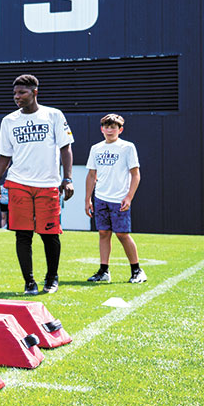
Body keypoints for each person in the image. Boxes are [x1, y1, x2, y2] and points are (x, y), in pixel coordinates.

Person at [0, 74, 74, 295]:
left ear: (35, 92)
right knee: (23, 234)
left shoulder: (53, 115)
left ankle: (52, 278)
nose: (17, 97)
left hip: (47, 184)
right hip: (18, 183)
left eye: (22, 93)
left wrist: (68, 178)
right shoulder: (9, 121)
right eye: (15, 93)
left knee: (49, 234)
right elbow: (4, 154)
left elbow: (65, 148)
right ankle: (29, 282)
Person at [85, 114, 145, 284]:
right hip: (100, 198)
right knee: (103, 233)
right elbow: (91, 175)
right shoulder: (96, 148)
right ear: (101, 129)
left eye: (113, 127)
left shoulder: (127, 147)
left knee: (122, 234)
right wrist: (87, 199)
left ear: (120, 130)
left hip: (119, 199)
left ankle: (137, 270)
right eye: (106, 126)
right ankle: (104, 271)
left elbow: (135, 174)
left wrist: (129, 197)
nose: (110, 130)